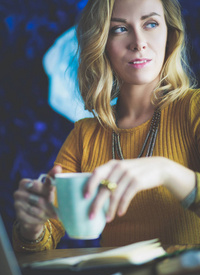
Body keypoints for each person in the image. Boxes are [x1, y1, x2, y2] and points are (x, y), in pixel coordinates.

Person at [13, 0, 200, 252]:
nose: (139, 42)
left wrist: (166, 171)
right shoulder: (85, 133)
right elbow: (39, 246)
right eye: (119, 29)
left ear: (170, 35)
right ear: (101, 44)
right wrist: (31, 228)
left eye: (151, 24)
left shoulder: (194, 109)